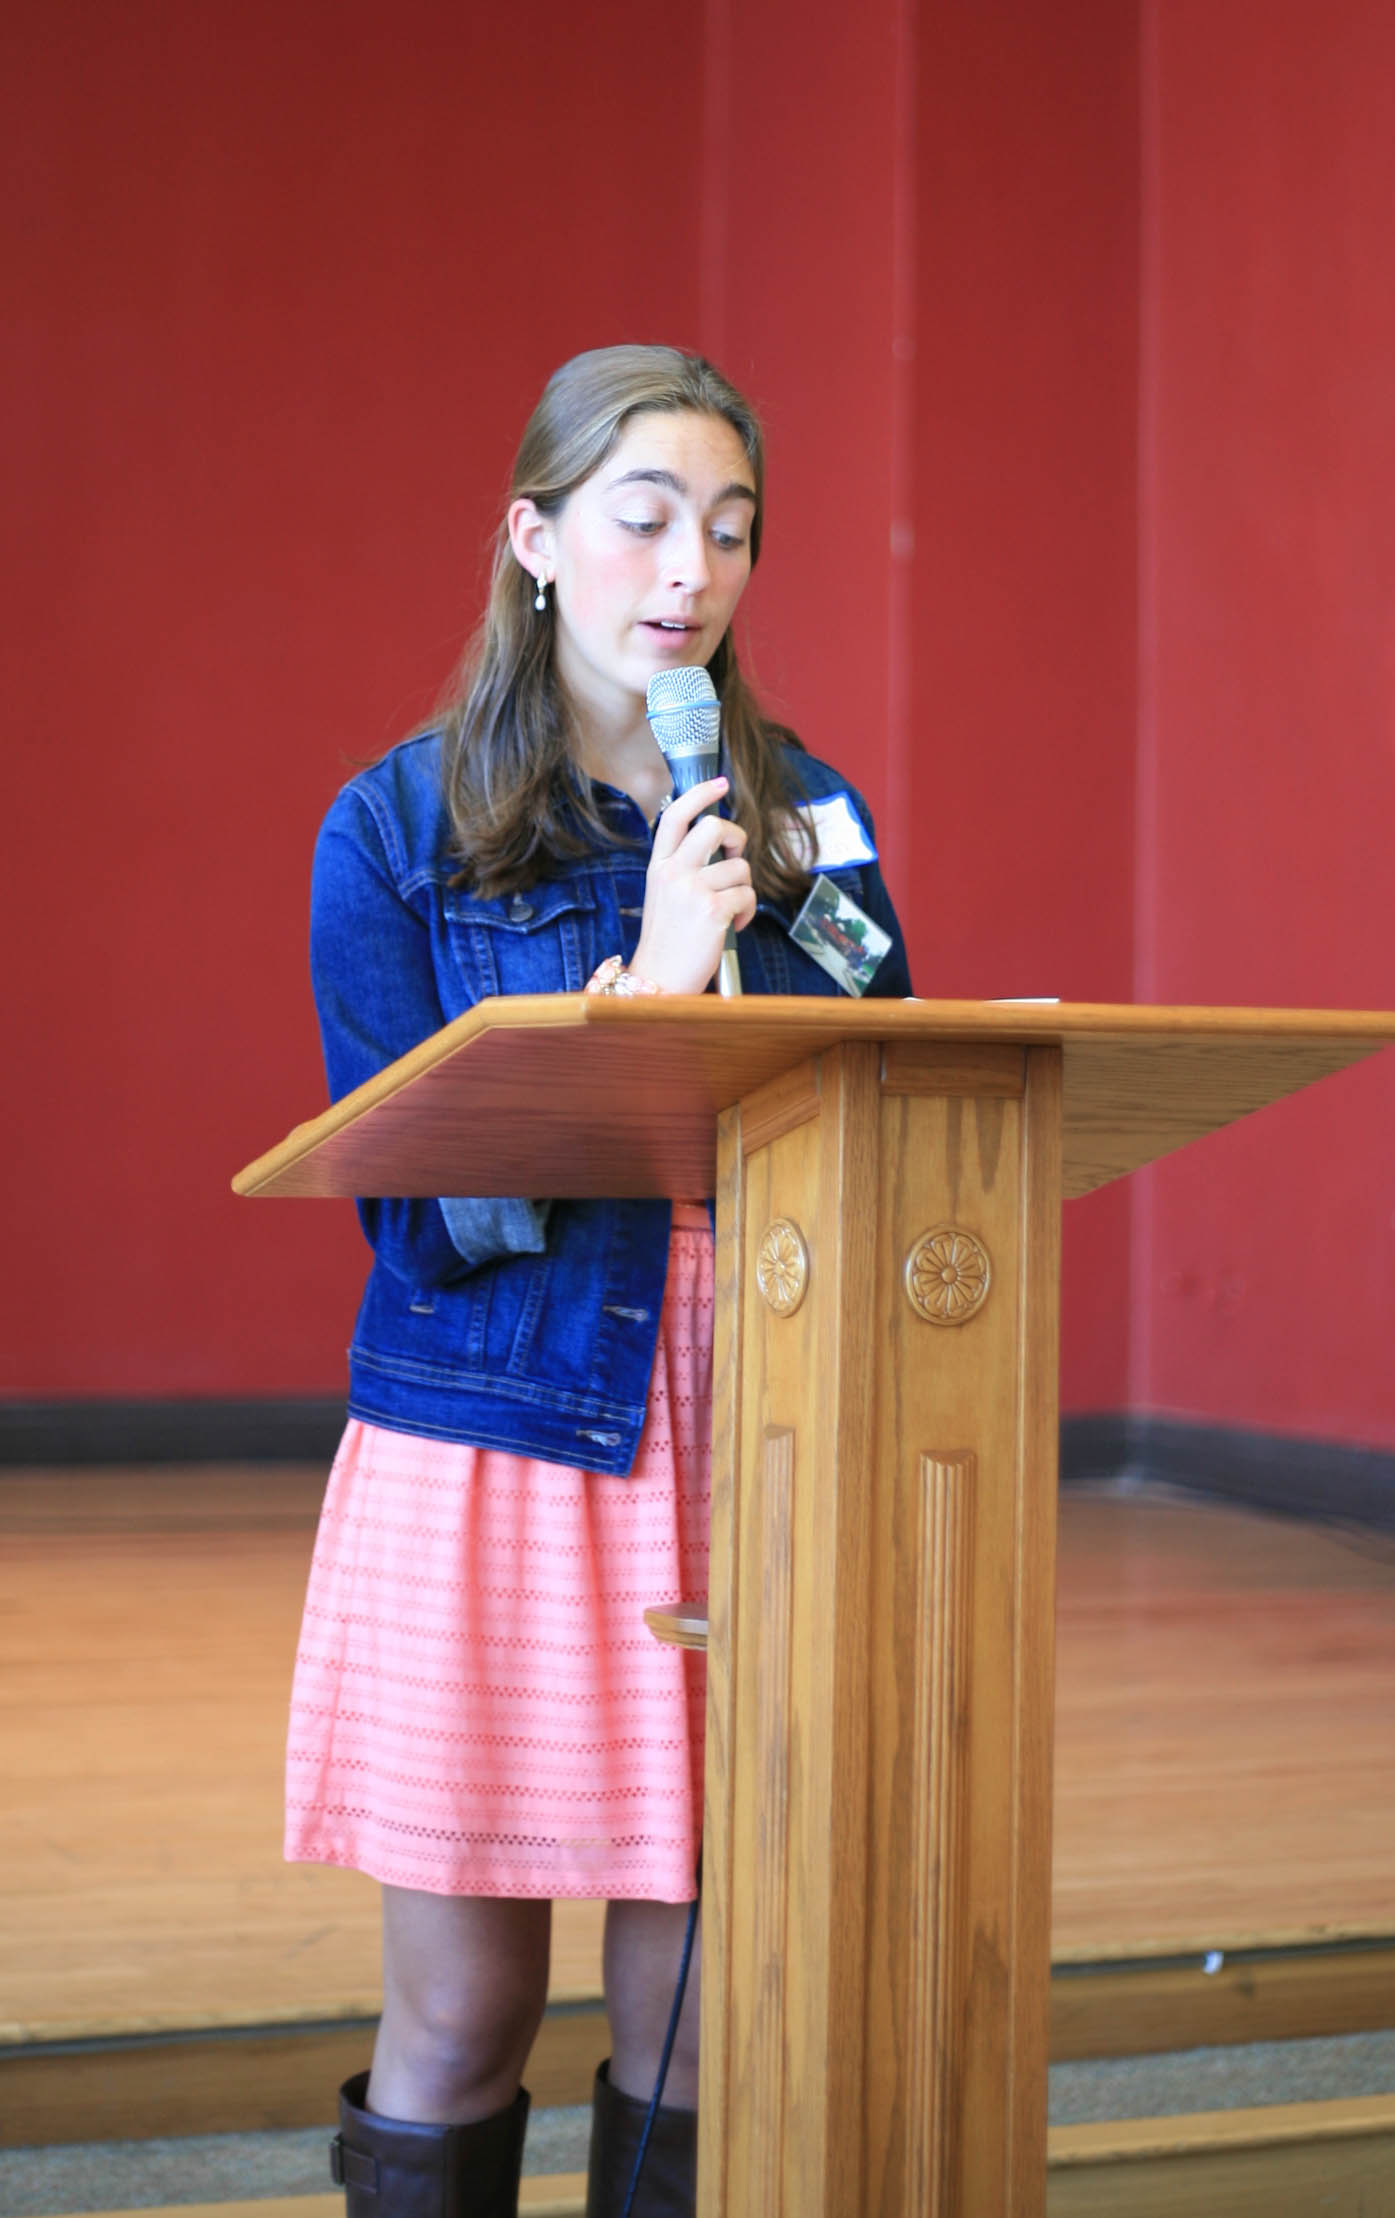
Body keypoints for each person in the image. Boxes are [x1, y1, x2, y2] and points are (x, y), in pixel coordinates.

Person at [287, 343, 911, 2217]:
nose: (690, 570)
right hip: (499, 1440)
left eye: (730, 528)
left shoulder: (807, 817)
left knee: (700, 2018)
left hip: (755, 1420)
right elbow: (420, 1214)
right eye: (643, 519)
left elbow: (890, 1105)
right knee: (466, 2011)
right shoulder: (394, 830)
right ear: (535, 538)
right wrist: (649, 985)